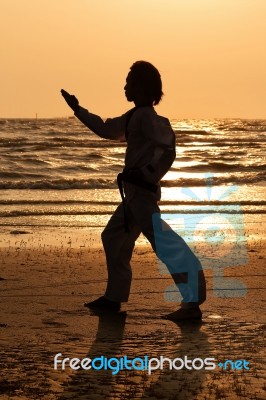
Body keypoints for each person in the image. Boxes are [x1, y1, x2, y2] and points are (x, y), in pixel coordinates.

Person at [61, 60, 206, 320]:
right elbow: (106, 128)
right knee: (114, 237)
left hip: (142, 194)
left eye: (129, 82)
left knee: (162, 243)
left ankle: (192, 301)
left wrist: (148, 173)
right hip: (134, 196)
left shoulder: (149, 118)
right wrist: (78, 110)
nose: (125, 87)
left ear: (140, 87)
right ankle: (114, 297)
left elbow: (168, 149)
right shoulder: (134, 117)